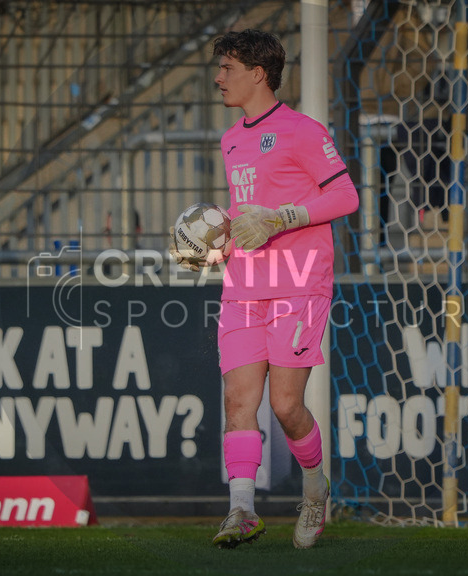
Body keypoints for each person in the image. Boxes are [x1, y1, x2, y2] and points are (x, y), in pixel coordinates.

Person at [170, 28, 359, 549]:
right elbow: (245, 216)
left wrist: (285, 217)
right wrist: (216, 244)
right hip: (244, 283)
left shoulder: (302, 130)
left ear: (258, 73)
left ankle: (316, 490)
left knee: (285, 406)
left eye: (227, 67)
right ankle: (241, 511)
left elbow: (346, 196)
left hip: (300, 282)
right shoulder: (231, 138)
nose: (219, 77)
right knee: (237, 400)